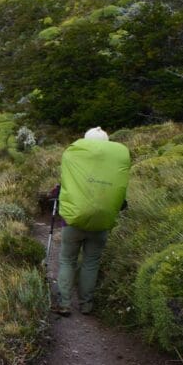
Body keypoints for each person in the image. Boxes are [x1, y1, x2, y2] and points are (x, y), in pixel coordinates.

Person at [52, 126, 130, 316]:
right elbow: (122, 201)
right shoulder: (114, 167)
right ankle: (86, 305)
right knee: (91, 263)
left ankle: (64, 303)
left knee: (67, 261)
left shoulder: (75, 160)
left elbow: (61, 190)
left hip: (73, 223)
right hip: (101, 225)